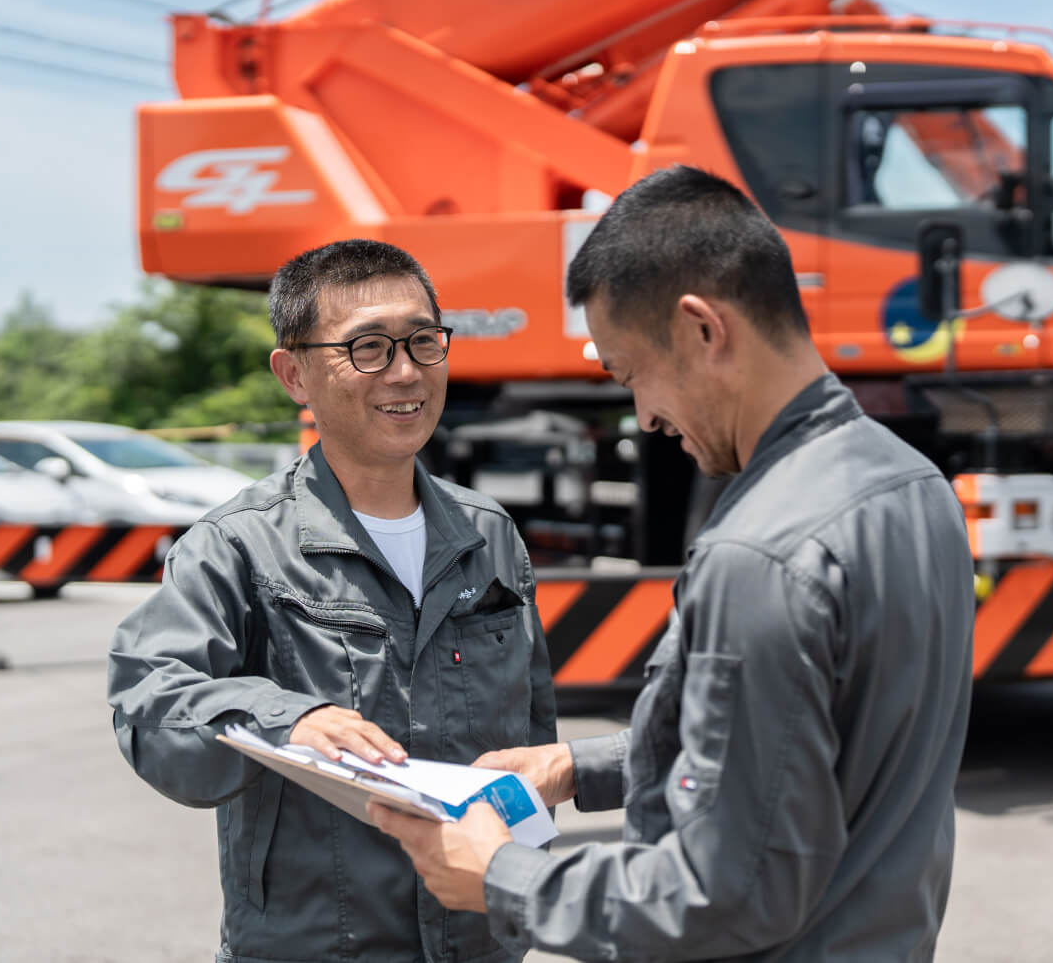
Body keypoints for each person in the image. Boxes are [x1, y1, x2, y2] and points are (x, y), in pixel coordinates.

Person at [371, 166, 976, 961]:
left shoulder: (759, 554)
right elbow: (809, 735)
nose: (645, 416)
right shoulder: (910, 483)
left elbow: (726, 897)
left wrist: (501, 877)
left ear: (702, 329)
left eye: (631, 376)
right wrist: (574, 766)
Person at [108, 239, 557, 963]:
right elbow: (149, 706)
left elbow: (534, 728)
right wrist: (290, 719)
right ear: (294, 374)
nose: (405, 371)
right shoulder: (237, 546)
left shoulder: (488, 535)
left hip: (480, 943)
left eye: (421, 341)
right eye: (369, 348)